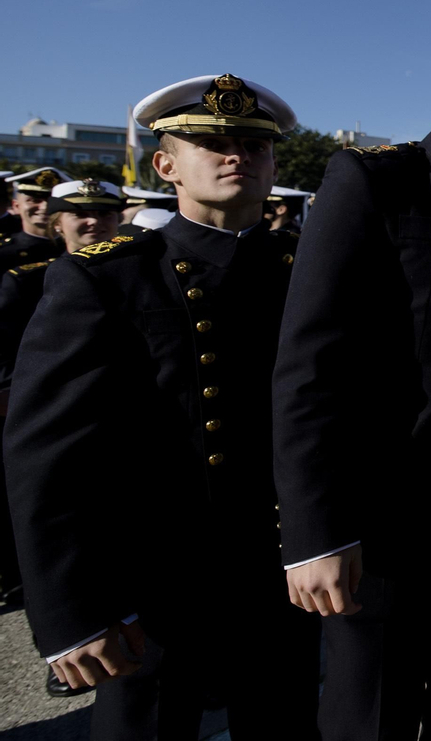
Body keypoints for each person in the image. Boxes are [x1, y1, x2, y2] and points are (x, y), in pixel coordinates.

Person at [4, 75, 320, 738]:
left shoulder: (305, 270)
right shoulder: (106, 276)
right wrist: (72, 612)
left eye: (254, 145)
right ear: (166, 164)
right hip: (154, 585)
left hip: (281, 572)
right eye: (214, 143)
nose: (237, 156)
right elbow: (47, 456)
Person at [272, 0, 431, 740]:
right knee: (370, 715)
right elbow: (308, 369)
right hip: (384, 516)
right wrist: (315, 533)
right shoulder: (375, 181)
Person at [0, 179, 127, 691]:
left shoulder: (137, 269)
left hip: (117, 430)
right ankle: (62, 648)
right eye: (79, 214)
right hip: (42, 422)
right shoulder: (25, 278)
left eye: (104, 212)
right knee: (51, 541)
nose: (93, 221)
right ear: (56, 221)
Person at [0, 169, 71, 271]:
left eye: (52, 201)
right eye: (35, 201)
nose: (45, 207)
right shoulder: (4, 252)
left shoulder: (78, 247)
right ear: (16, 206)